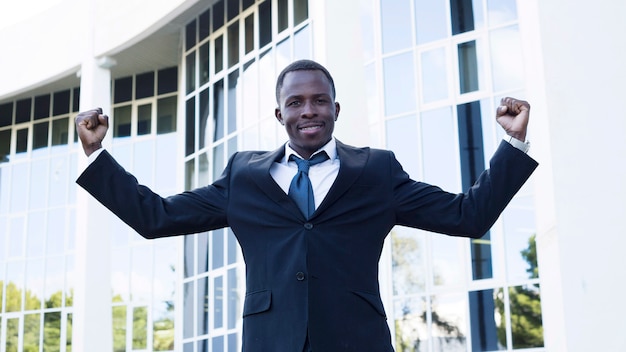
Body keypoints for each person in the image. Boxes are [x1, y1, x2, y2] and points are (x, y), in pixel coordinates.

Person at [75, 59, 538, 352]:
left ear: (337, 108)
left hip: (357, 341)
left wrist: (512, 143)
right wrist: (97, 154)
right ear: (280, 115)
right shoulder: (243, 176)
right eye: (295, 102)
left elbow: (467, 215)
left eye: (319, 100)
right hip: (270, 341)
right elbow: (156, 217)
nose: (308, 110)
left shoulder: (376, 171)